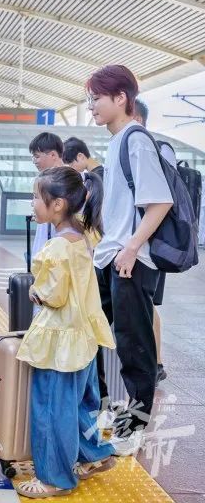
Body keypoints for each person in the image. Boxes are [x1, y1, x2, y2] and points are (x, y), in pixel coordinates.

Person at [86, 65, 172, 455]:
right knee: (101, 335)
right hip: (113, 254)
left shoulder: (136, 139)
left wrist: (133, 247)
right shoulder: (118, 139)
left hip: (129, 259)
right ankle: (107, 408)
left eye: (96, 98)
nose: (91, 107)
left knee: (134, 345)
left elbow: (160, 201)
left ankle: (133, 426)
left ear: (121, 97)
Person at [15, 166, 116, 499]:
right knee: (80, 404)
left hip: (60, 339)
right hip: (84, 335)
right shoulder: (85, 234)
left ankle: (54, 477)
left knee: (50, 408)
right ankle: (96, 456)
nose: (32, 204)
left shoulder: (57, 246)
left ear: (57, 204)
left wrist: (36, 293)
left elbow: (54, 296)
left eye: (35, 198)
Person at [133, 98, 169, 385]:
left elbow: (161, 202)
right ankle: (154, 363)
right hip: (145, 246)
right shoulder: (139, 145)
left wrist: (132, 245)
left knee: (146, 306)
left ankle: (154, 363)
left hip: (150, 247)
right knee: (148, 306)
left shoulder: (145, 147)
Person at [29, 133, 64, 259]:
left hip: (58, 253)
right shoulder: (43, 179)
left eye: (37, 156)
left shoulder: (70, 181)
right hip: (45, 251)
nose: (34, 161)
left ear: (53, 155)